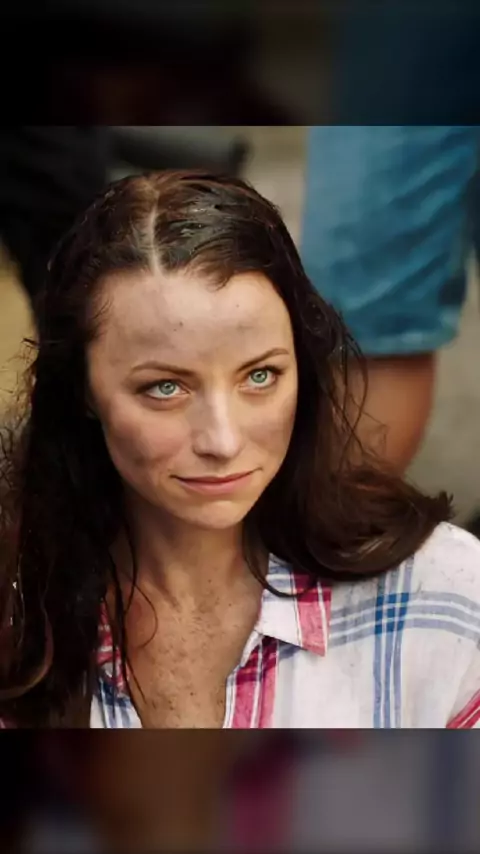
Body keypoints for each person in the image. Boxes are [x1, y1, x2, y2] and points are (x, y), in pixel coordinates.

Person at [0, 170, 479, 730]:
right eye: (166, 388)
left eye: (260, 376)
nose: (223, 441)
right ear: (80, 389)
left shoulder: (441, 597)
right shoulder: (18, 611)